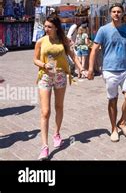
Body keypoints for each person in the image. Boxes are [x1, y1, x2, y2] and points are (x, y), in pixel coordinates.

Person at [33, 15, 86, 160]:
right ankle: (44, 146)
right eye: (45, 26)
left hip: (61, 76)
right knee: (45, 111)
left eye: (49, 27)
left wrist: (81, 68)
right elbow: (35, 59)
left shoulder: (64, 41)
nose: (46, 29)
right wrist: (44, 65)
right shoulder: (40, 41)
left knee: (59, 107)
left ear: (56, 27)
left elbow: (73, 56)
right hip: (45, 76)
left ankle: (56, 133)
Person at [87, 3, 126, 142]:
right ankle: (113, 128)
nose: (116, 14)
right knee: (113, 100)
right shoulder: (103, 30)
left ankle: (122, 122)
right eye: (114, 11)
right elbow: (94, 49)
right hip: (110, 70)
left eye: (119, 11)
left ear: (122, 14)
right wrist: (91, 68)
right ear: (110, 14)